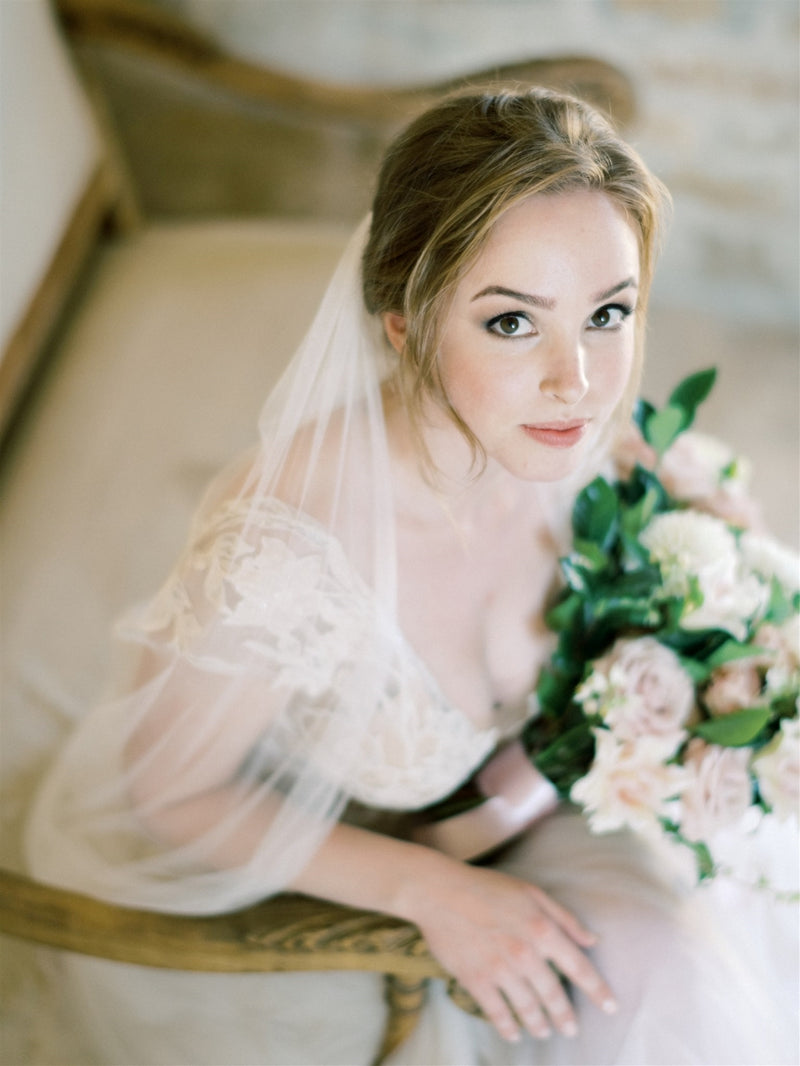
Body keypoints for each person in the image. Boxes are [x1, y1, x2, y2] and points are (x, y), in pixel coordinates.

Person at [25, 88, 798, 1065]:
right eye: (510, 324)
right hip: (329, 847)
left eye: (608, 312)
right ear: (402, 323)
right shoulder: (291, 555)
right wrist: (426, 889)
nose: (579, 380)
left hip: (521, 800)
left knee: (679, 989)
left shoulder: (578, 435)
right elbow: (167, 793)